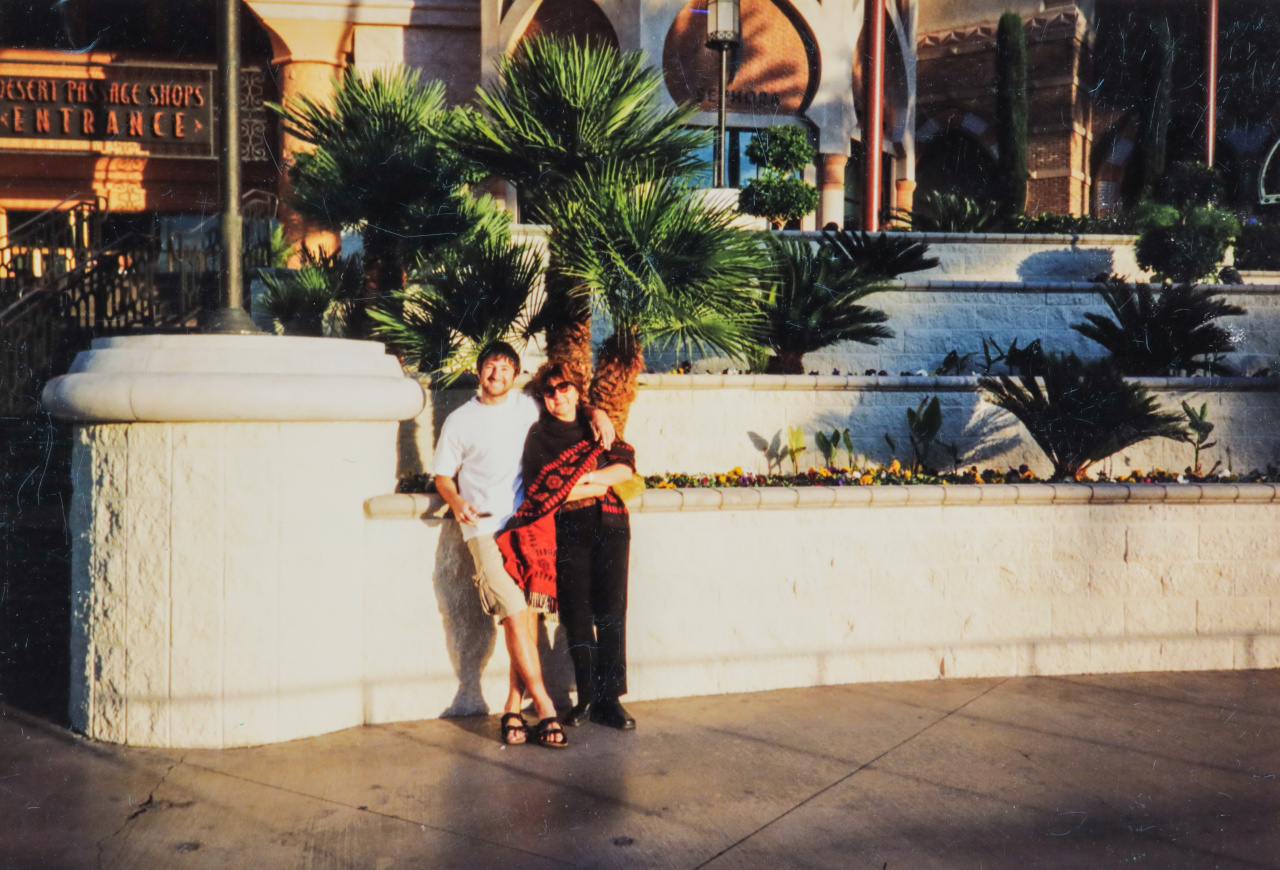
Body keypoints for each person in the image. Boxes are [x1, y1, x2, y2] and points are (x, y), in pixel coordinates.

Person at [433, 343, 614, 749]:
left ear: (515, 376)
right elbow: (443, 476)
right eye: (490, 366)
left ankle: (513, 706)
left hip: (527, 524)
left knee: (528, 614)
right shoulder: (459, 421)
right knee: (515, 612)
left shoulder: (528, 407)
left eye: (505, 367)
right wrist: (456, 501)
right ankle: (546, 709)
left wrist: (597, 412)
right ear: (479, 371)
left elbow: (566, 403)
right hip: (483, 529)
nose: (496, 373)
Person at [497, 362, 638, 731]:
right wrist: (595, 485)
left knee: (612, 612)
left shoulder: (596, 427)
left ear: (577, 392)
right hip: (567, 530)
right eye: (550, 391)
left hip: (611, 526)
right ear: (543, 397)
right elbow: (541, 493)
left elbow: (625, 469)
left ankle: (611, 700)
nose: (558, 396)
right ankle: (587, 698)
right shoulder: (538, 436)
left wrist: (587, 478)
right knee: (576, 613)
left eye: (565, 388)